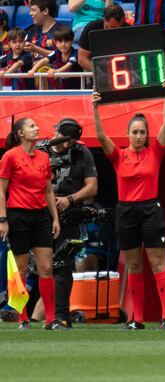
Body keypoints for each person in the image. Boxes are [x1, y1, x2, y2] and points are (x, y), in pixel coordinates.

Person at [91, 81, 165, 330]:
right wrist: (95, 107)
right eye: (134, 132)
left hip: (150, 210)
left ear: (147, 134)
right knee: (134, 265)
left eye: (142, 132)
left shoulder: (155, 152)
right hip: (125, 211)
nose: (138, 136)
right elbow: (100, 135)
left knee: (158, 264)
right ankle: (136, 319)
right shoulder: (118, 155)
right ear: (128, 134)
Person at [0, 117, 62, 330]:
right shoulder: (10, 156)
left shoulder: (44, 157)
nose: (37, 129)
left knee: (46, 268)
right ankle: (23, 317)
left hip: (41, 216)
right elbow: (1, 189)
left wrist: (55, 218)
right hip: (18, 216)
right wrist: (3, 219)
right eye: (32, 126)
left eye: (36, 125)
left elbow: (48, 190)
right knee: (21, 269)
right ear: (21, 133)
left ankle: (50, 320)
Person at [37, 118, 98, 327]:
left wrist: (69, 199)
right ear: (55, 131)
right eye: (62, 139)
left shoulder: (82, 153)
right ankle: (33, 316)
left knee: (64, 264)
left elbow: (92, 187)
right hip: (40, 213)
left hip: (69, 214)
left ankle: (61, 316)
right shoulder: (40, 150)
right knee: (40, 266)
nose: (64, 145)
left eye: (69, 141)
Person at [28, 24, 83, 89]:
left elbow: (69, 65)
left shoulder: (76, 53)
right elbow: (44, 60)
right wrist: (33, 70)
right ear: (56, 43)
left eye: (66, 41)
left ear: (72, 42)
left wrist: (56, 71)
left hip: (77, 89)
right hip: (63, 89)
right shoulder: (56, 52)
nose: (63, 44)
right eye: (60, 41)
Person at [78, 3, 129, 72]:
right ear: (104, 19)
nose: (108, 30)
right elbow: (82, 59)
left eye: (113, 27)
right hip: (95, 68)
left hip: (122, 68)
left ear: (122, 21)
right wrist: (99, 74)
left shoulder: (129, 30)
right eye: (106, 27)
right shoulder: (91, 28)